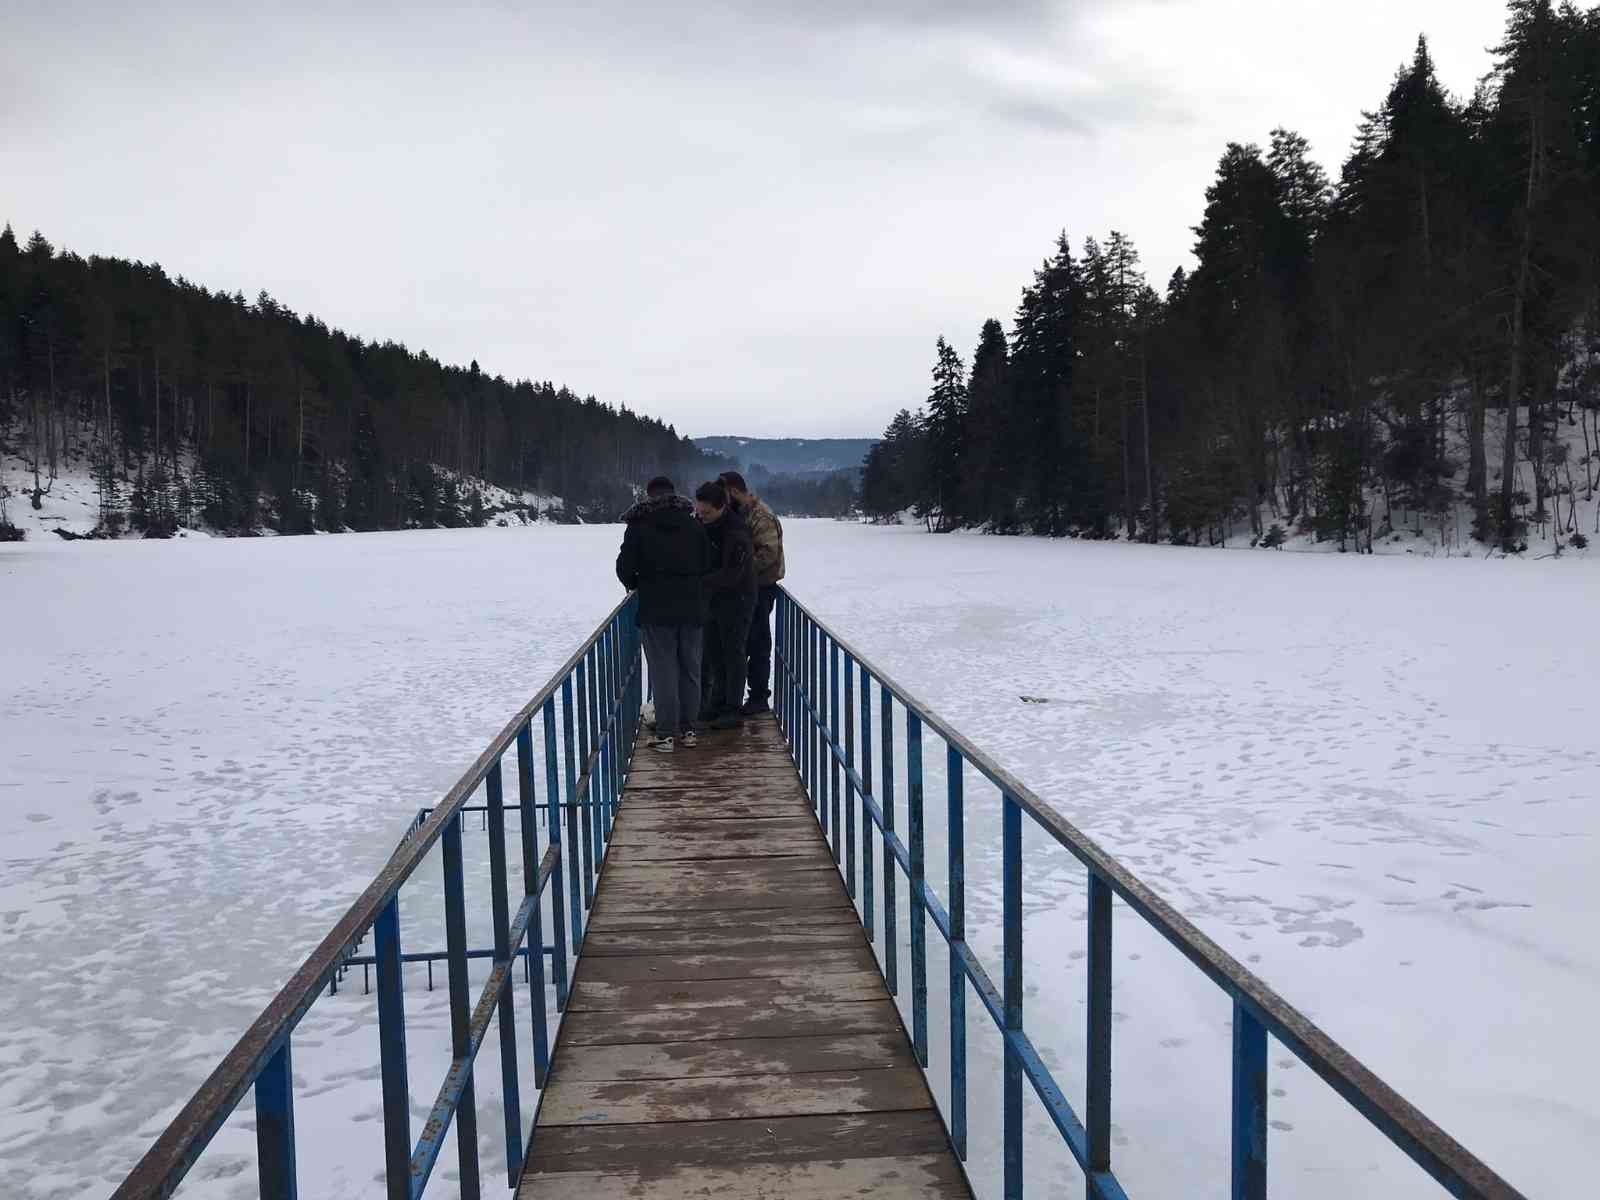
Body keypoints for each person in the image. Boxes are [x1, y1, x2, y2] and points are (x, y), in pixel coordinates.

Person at [616, 476, 711, 752]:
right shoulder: (694, 525)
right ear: (674, 495)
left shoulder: (638, 527)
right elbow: (707, 562)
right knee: (691, 670)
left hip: (656, 609)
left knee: (664, 671)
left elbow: (625, 567)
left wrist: (637, 584)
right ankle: (690, 730)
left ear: (649, 497)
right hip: (693, 608)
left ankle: (667, 734)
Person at [718, 470, 785, 715]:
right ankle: (736, 695)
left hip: (760, 589)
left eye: (725, 495)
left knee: (756, 643)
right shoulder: (741, 514)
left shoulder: (761, 516)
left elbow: (768, 553)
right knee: (740, 643)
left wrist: (738, 574)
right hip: (745, 589)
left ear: (734, 492)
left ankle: (758, 697)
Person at [694, 479, 757, 729]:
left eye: (706, 513)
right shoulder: (706, 525)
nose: (702, 517)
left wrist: (698, 581)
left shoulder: (736, 532)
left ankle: (732, 708)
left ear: (721, 507)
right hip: (713, 599)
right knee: (714, 652)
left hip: (737, 599)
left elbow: (733, 574)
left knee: (733, 652)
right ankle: (717, 703)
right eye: (699, 512)